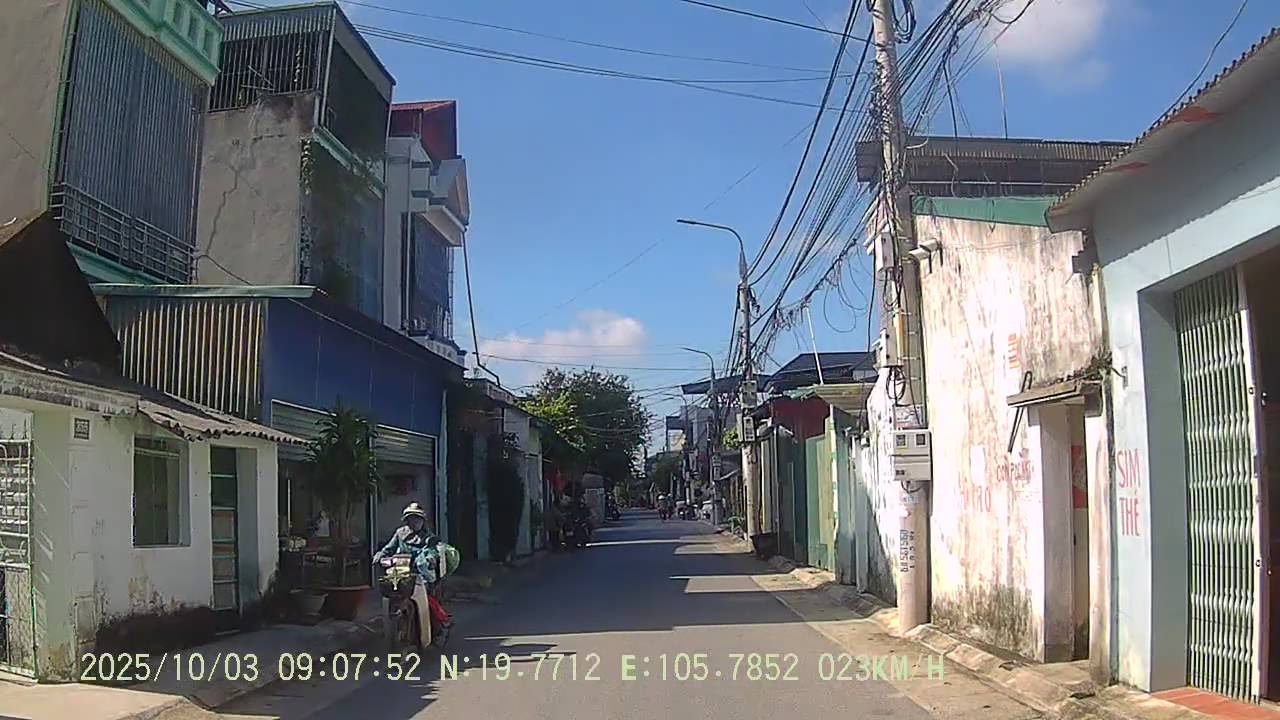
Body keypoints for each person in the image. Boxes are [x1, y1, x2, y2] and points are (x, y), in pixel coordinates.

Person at [372, 502, 450, 643]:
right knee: (392, 593)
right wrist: (380, 555)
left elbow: (432, 551)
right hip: (401, 572)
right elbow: (388, 549)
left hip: (421, 575)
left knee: (428, 599)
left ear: (423, 521)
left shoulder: (429, 537)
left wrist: (431, 558)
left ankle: (439, 626)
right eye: (411, 518)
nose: (414, 522)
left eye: (417, 518)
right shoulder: (400, 534)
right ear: (406, 520)